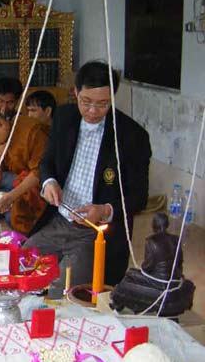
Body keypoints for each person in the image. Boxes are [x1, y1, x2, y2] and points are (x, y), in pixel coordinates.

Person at [25, 61, 152, 298]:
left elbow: (139, 196)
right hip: (60, 221)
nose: (93, 111)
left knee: (61, 292)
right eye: (86, 102)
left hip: (96, 233)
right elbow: (47, 162)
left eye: (103, 104)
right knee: (20, 267)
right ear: (76, 92)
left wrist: (104, 210)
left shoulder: (131, 136)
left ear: (113, 98)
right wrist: (49, 182)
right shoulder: (64, 117)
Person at [0, 108, 50, 234]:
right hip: (20, 183)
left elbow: (39, 172)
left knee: (13, 216)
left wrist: (11, 196)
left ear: (1, 125)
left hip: (42, 185)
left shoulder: (32, 131)